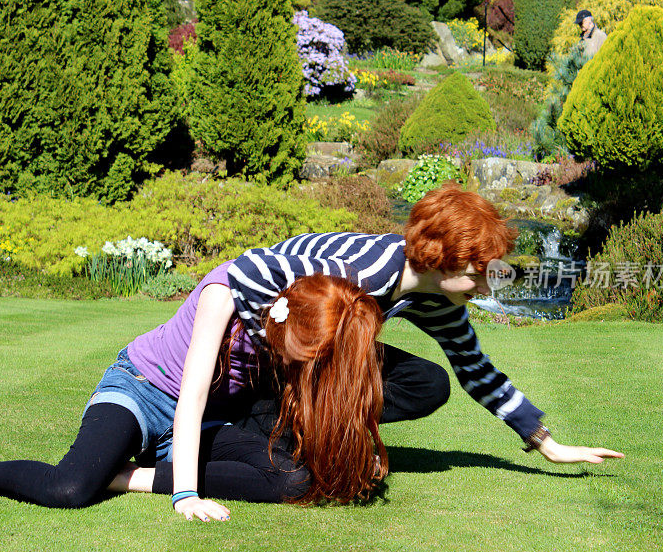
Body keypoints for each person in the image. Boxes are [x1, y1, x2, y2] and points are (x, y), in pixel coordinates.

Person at [0, 269, 388, 521]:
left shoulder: (309, 325)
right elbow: (191, 394)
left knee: (294, 481)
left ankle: (123, 478)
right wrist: (184, 494)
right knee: (69, 489)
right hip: (143, 390)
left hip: (205, 423)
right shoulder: (225, 296)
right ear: (282, 313)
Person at [226, 183, 624, 466]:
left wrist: (547, 444)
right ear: (440, 256)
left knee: (428, 383)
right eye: (477, 274)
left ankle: (319, 424)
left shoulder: (441, 299)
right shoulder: (364, 270)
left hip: (327, 344)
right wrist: (278, 348)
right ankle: (270, 420)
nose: (487, 286)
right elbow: (248, 270)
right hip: (256, 346)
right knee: (334, 355)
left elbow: (477, 371)